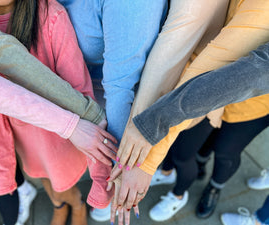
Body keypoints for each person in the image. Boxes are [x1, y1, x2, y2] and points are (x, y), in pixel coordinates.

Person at [108, 0, 269, 224]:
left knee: (222, 152)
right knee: (196, 151)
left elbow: (222, 71)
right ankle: (179, 172)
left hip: (242, 97)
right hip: (204, 89)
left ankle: (206, 189)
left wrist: (147, 148)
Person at [0, 1, 116, 225]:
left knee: (61, 184)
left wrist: (99, 174)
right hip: (25, 139)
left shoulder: (50, 15)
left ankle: (75, 203)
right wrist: (3, 173)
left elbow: (80, 88)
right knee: (42, 177)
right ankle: (60, 204)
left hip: (61, 139)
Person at [56, 0, 168, 222]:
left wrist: (119, 168)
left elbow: (120, 87)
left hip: (112, 103)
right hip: (65, 95)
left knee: (103, 175)